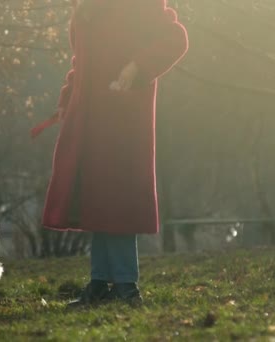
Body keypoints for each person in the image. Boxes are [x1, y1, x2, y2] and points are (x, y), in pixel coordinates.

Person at [31, 0, 188, 307]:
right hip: (89, 118)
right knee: (97, 199)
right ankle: (101, 283)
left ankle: (127, 286)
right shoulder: (85, 8)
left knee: (118, 198)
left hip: (123, 115)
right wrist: (67, 97)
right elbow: (81, 62)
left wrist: (137, 66)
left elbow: (175, 38)